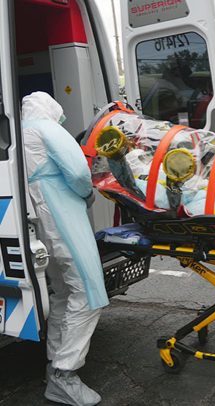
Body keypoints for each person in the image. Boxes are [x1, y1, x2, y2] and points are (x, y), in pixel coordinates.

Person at [22, 92, 109, 406]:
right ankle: (64, 373)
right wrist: (87, 194)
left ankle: (54, 366)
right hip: (62, 212)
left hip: (41, 216)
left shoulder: (22, 131)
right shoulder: (46, 127)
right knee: (88, 293)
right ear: (51, 108)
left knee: (62, 292)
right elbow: (76, 172)